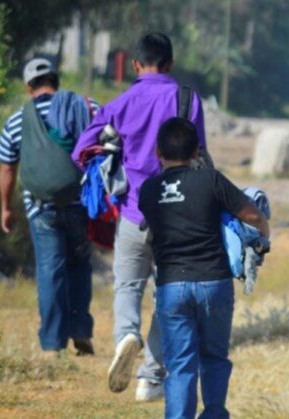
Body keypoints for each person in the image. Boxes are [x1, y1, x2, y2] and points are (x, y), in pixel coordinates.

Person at [72, 32, 207, 400]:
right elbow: (200, 155)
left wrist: (112, 158)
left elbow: (81, 151)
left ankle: (126, 335)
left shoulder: (120, 103)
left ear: (135, 64)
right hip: (177, 217)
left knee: (128, 286)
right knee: (169, 295)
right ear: (170, 64)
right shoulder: (187, 100)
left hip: (133, 212)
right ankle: (150, 378)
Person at [138, 118, 270, 419]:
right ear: (197, 151)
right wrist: (264, 234)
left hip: (172, 286)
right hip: (214, 283)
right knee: (214, 358)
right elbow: (252, 215)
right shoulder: (211, 180)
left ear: (158, 152)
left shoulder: (148, 190)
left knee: (180, 365)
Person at [0, 58, 99, 358]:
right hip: (80, 203)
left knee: (50, 270)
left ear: (29, 87)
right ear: (56, 80)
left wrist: (6, 208)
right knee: (79, 265)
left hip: (41, 208)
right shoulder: (85, 107)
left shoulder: (17, 120)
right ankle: (80, 331)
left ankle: (53, 343)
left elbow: (7, 167)